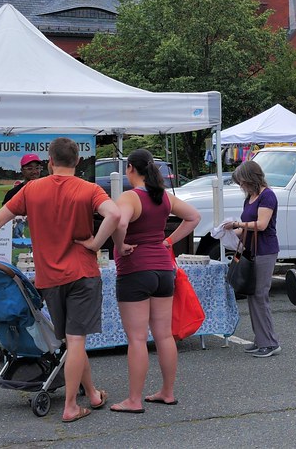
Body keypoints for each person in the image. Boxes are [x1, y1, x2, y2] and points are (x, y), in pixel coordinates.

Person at [0, 137, 128, 423]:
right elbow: (115, 215)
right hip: (82, 273)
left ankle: (92, 393)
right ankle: (70, 407)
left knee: (71, 340)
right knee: (77, 341)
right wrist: (96, 243)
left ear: (50, 161)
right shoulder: (89, 189)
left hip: (49, 277)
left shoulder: (31, 189)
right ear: (77, 161)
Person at [78, 149, 200, 413]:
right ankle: (167, 392)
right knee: (164, 334)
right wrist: (167, 241)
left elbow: (119, 223)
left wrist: (119, 245)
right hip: (164, 270)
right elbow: (194, 217)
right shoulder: (163, 197)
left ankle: (134, 400)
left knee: (136, 338)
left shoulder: (130, 197)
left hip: (135, 271)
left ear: (130, 168)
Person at [222, 161, 282, 357]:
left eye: (242, 182)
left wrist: (237, 224)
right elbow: (246, 227)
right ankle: (261, 339)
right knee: (252, 294)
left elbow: (262, 224)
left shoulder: (267, 196)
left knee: (259, 295)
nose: (241, 186)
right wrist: (227, 232)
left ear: (250, 178)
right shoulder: (250, 197)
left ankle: (270, 343)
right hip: (252, 250)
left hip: (265, 250)